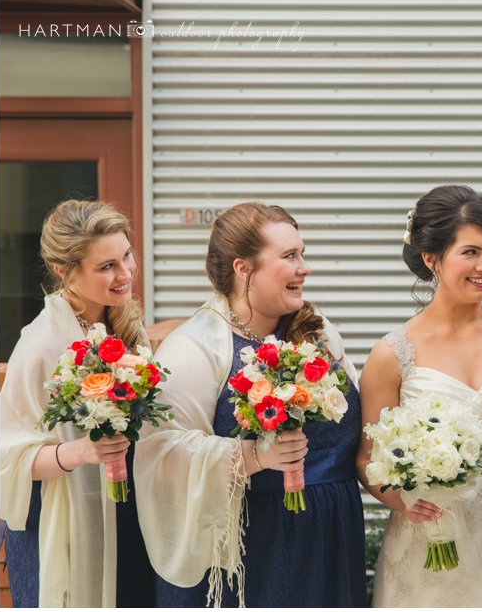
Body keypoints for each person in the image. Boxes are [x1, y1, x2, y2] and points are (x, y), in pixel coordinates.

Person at [134, 202, 364, 607]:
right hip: (252, 549)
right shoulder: (193, 348)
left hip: (330, 535)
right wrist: (253, 455)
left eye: (302, 254)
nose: (304, 267)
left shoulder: (319, 332)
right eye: (289, 256)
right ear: (244, 269)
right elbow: (161, 452)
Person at [358, 185, 482, 607]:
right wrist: (404, 502)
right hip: (431, 539)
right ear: (432, 259)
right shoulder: (392, 353)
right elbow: (367, 458)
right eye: (471, 252)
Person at [0, 199, 156, 607]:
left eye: (126, 257)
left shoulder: (125, 326)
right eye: (106, 267)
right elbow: (6, 458)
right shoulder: (40, 345)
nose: (125, 274)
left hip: (129, 515)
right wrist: (83, 451)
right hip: (64, 528)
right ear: (63, 271)